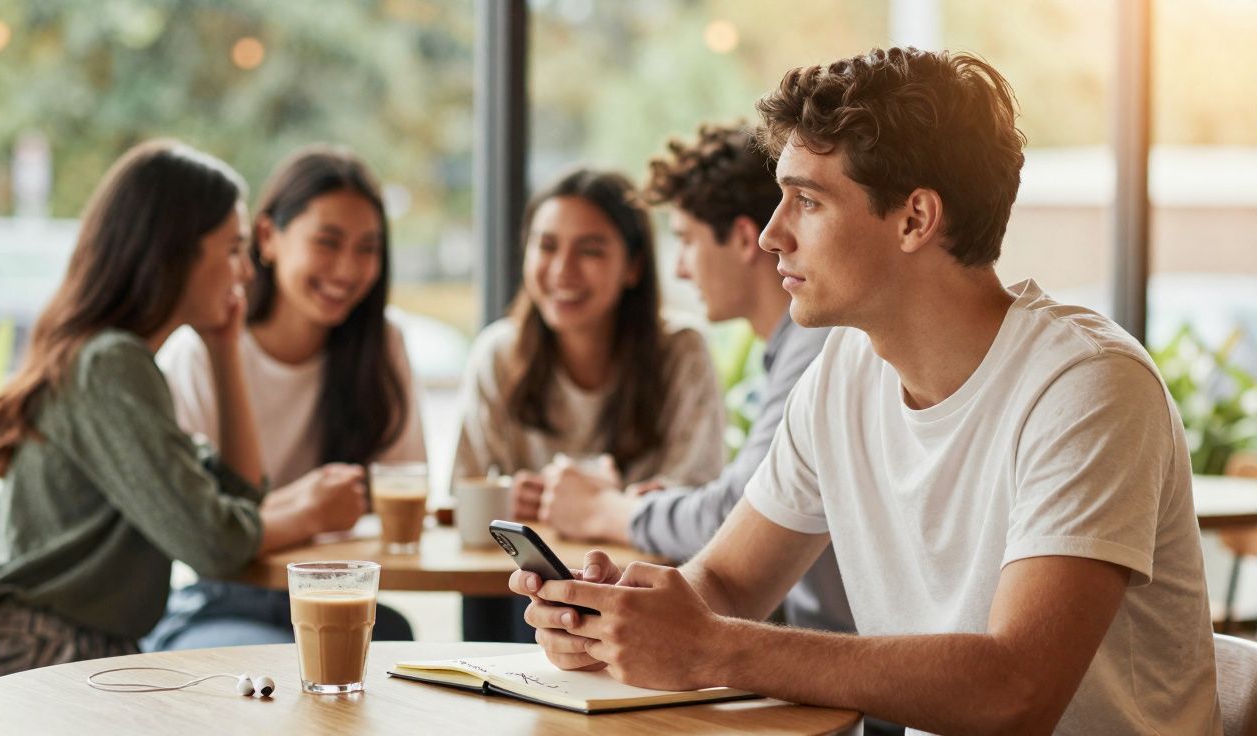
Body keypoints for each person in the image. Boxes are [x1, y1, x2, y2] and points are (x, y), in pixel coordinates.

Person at [511, 47, 1221, 735]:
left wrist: (715, 648)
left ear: (915, 218)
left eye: (806, 202)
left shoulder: (1086, 386)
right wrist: (612, 619)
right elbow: (726, 584)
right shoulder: (843, 375)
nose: (768, 236)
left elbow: (1016, 692)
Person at [0, 140, 360, 696]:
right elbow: (212, 545)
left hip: (64, 644)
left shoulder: (118, 360)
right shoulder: (111, 364)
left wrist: (223, 349)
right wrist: (308, 514)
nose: (246, 271)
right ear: (175, 252)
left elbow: (240, 495)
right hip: (45, 654)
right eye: (233, 249)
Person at [538, 123, 853, 634]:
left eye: (685, 240)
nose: (681, 269)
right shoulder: (784, 351)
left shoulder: (819, 347)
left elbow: (731, 511)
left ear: (743, 239)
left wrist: (606, 510)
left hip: (834, 664)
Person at [142, 145, 421, 650]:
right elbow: (198, 530)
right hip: (223, 600)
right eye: (328, 242)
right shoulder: (203, 352)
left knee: (399, 650)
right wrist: (307, 508)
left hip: (340, 598)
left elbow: (399, 488)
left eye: (367, 248)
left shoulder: (382, 346)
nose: (348, 269)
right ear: (267, 238)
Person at [455, 167, 725, 640]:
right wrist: (508, 498)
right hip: (522, 591)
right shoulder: (498, 354)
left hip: (638, 594)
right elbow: (465, 494)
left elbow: (698, 498)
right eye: (546, 246)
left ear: (633, 267)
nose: (562, 270)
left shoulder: (681, 352)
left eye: (591, 250)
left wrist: (609, 503)